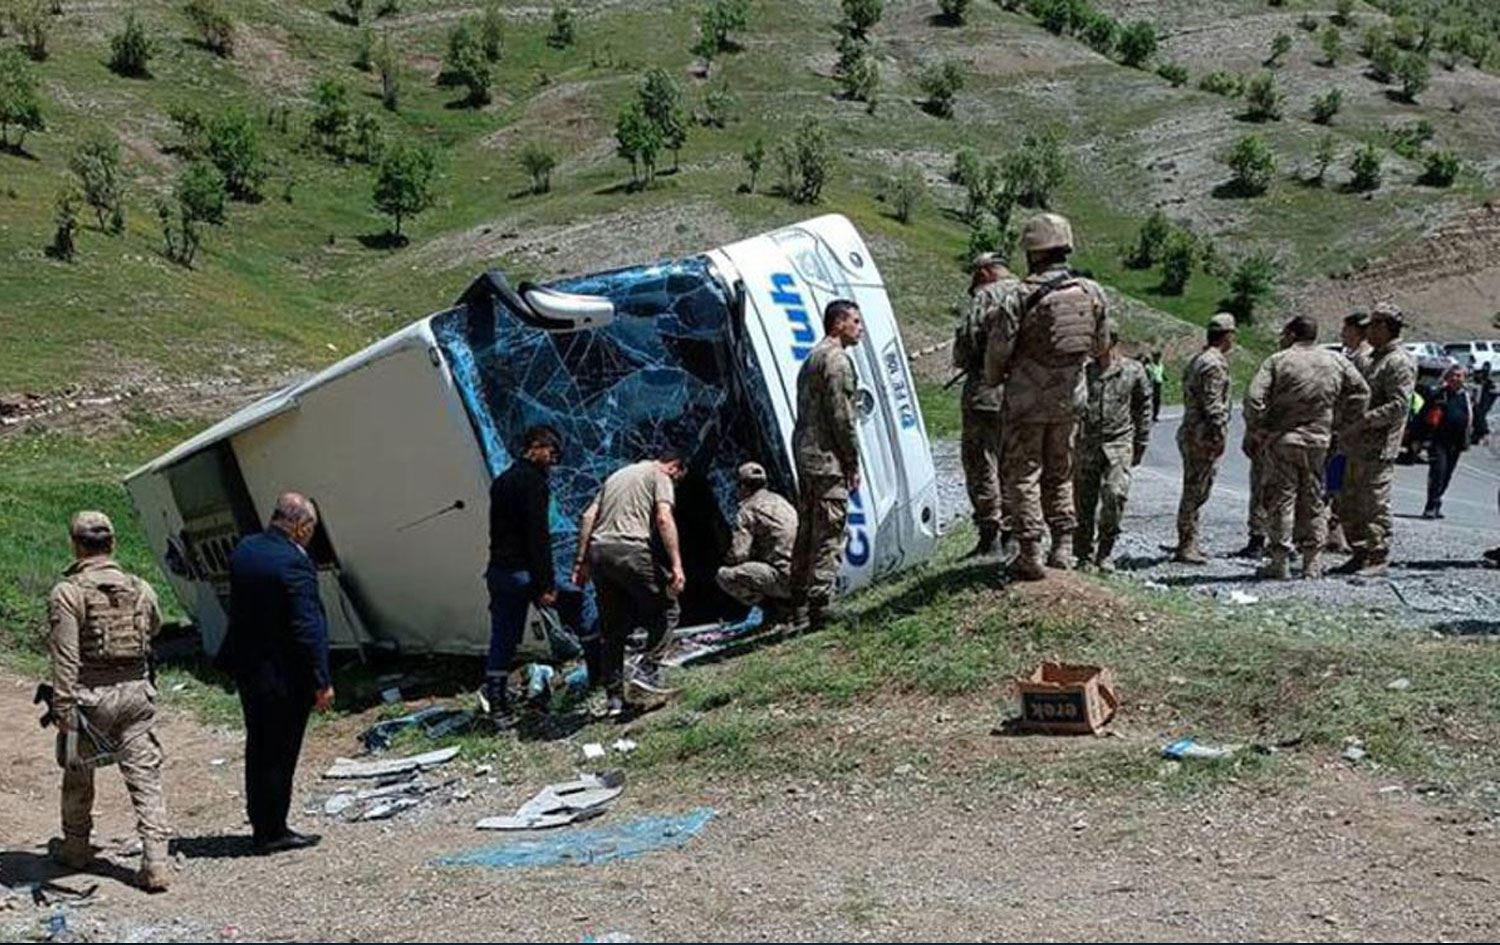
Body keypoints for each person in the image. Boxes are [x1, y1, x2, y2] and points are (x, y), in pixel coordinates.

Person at [45, 511, 170, 892]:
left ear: (76, 544)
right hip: (136, 695)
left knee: (78, 774)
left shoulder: (68, 593)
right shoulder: (140, 587)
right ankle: (155, 863)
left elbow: (65, 656)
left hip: (89, 699)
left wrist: (63, 708)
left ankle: (77, 848)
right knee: (145, 778)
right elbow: (157, 626)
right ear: (112, 544)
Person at [983, 212, 1108, 580]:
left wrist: (996, 379)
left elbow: (997, 354)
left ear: (1032, 251)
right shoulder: (1091, 292)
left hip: (1025, 402)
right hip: (1070, 399)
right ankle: (1064, 546)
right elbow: (1100, 345)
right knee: (1061, 471)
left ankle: (1029, 550)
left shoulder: (1018, 296)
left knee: (1023, 474)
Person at [219, 492, 334, 854]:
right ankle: (273, 830)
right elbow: (306, 628)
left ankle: (261, 822)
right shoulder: (294, 564)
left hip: (249, 668)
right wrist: (321, 680)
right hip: (284, 674)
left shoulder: (246, 550)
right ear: (301, 526)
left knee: (259, 746)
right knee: (281, 751)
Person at [1243, 316, 1369, 579]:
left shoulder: (1279, 361)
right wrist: (1342, 424)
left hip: (1284, 439)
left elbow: (1254, 397)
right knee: (1313, 498)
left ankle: (1279, 561)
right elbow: (1361, 391)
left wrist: (1260, 427)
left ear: (1291, 334)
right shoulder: (1336, 360)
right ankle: (1312, 562)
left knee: (1282, 499)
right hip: (1319, 441)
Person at [572, 449, 687, 717]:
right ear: (675, 467)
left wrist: (581, 562)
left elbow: (588, 516)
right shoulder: (660, 476)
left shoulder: (616, 476)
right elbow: (663, 518)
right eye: (679, 479)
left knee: (613, 627)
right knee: (667, 608)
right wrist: (676, 564)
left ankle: (614, 699)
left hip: (599, 552)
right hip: (630, 549)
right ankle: (647, 672)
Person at [788, 299, 864, 630]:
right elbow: (842, 416)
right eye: (855, 321)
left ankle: (799, 605)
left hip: (806, 453)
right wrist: (851, 460)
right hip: (825, 455)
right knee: (829, 528)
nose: (860, 328)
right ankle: (820, 603)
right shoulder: (836, 360)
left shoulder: (812, 358)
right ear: (838, 324)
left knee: (808, 528)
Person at [484, 425, 563, 731]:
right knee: (578, 612)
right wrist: (546, 584)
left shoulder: (502, 481)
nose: (553, 461)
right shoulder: (533, 483)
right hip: (524, 572)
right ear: (536, 447)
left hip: (499, 570)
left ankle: (498, 703)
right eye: (551, 453)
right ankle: (600, 678)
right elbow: (538, 537)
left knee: (503, 638)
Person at [1335, 303, 1418, 576]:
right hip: (1356, 444)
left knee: (1373, 503)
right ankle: (1359, 552)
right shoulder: (1372, 359)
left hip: (1378, 446)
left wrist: (1364, 420)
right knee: (1349, 501)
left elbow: (1398, 406)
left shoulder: (1398, 362)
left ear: (1384, 327)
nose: (1366, 331)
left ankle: (1377, 555)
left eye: (1372, 326)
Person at [1073, 319, 1151, 571]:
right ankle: (1083, 554)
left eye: (1098, 339)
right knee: (1083, 502)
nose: (1093, 345)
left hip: (1119, 443)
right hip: (1087, 444)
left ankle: (1105, 551)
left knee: (1115, 495)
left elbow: (1144, 406)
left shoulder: (1134, 370)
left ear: (1112, 341)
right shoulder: (1084, 372)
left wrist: (1141, 441)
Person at [953, 252, 1017, 557]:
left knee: (981, 462)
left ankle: (989, 534)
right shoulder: (1028, 291)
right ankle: (1014, 534)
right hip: (1024, 393)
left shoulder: (987, 296)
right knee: (1015, 464)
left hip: (986, 392)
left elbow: (966, 342)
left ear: (987, 272)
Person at [1174, 313, 1237, 563]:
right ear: (1228, 336)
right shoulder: (1214, 364)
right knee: (1195, 490)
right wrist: (1218, 435)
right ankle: (1186, 544)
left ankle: (1190, 541)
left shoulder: (1198, 359)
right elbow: (1213, 405)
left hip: (1192, 431)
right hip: (1202, 435)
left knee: (1195, 487)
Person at [715, 462, 798, 626]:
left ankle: (776, 611)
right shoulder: (781, 501)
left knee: (725, 575)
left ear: (743, 486)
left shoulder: (747, 510)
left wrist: (726, 556)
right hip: (807, 572)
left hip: (785, 578)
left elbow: (739, 554)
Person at [1325, 311, 1372, 553]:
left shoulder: (1363, 360)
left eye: (1346, 329)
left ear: (1357, 331)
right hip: (1341, 429)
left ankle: (1342, 533)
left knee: (1344, 483)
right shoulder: (1352, 356)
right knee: (1335, 480)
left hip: (1349, 431)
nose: (1342, 334)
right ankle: (1334, 532)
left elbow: (1358, 397)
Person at [1422, 364, 1473, 519]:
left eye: (1459, 376)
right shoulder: (1439, 395)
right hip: (1438, 441)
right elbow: (1424, 416)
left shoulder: (1467, 397)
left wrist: (1479, 434)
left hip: (1456, 443)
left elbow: (1475, 417)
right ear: (1447, 377)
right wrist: (1418, 438)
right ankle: (1430, 505)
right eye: (1453, 375)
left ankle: (1437, 502)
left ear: (1464, 379)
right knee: (1438, 472)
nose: (1455, 378)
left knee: (1447, 475)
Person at [1146, 351, 1166, 423]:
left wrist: (1165, 378)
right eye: (1155, 357)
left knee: (1157, 401)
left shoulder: (1161, 365)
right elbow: (1147, 375)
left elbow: (1162, 374)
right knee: (1151, 401)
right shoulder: (1149, 366)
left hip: (1159, 385)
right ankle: (1148, 415)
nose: (1157, 359)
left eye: (1158, 357)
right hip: (1152, 385)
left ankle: (1155, 415)